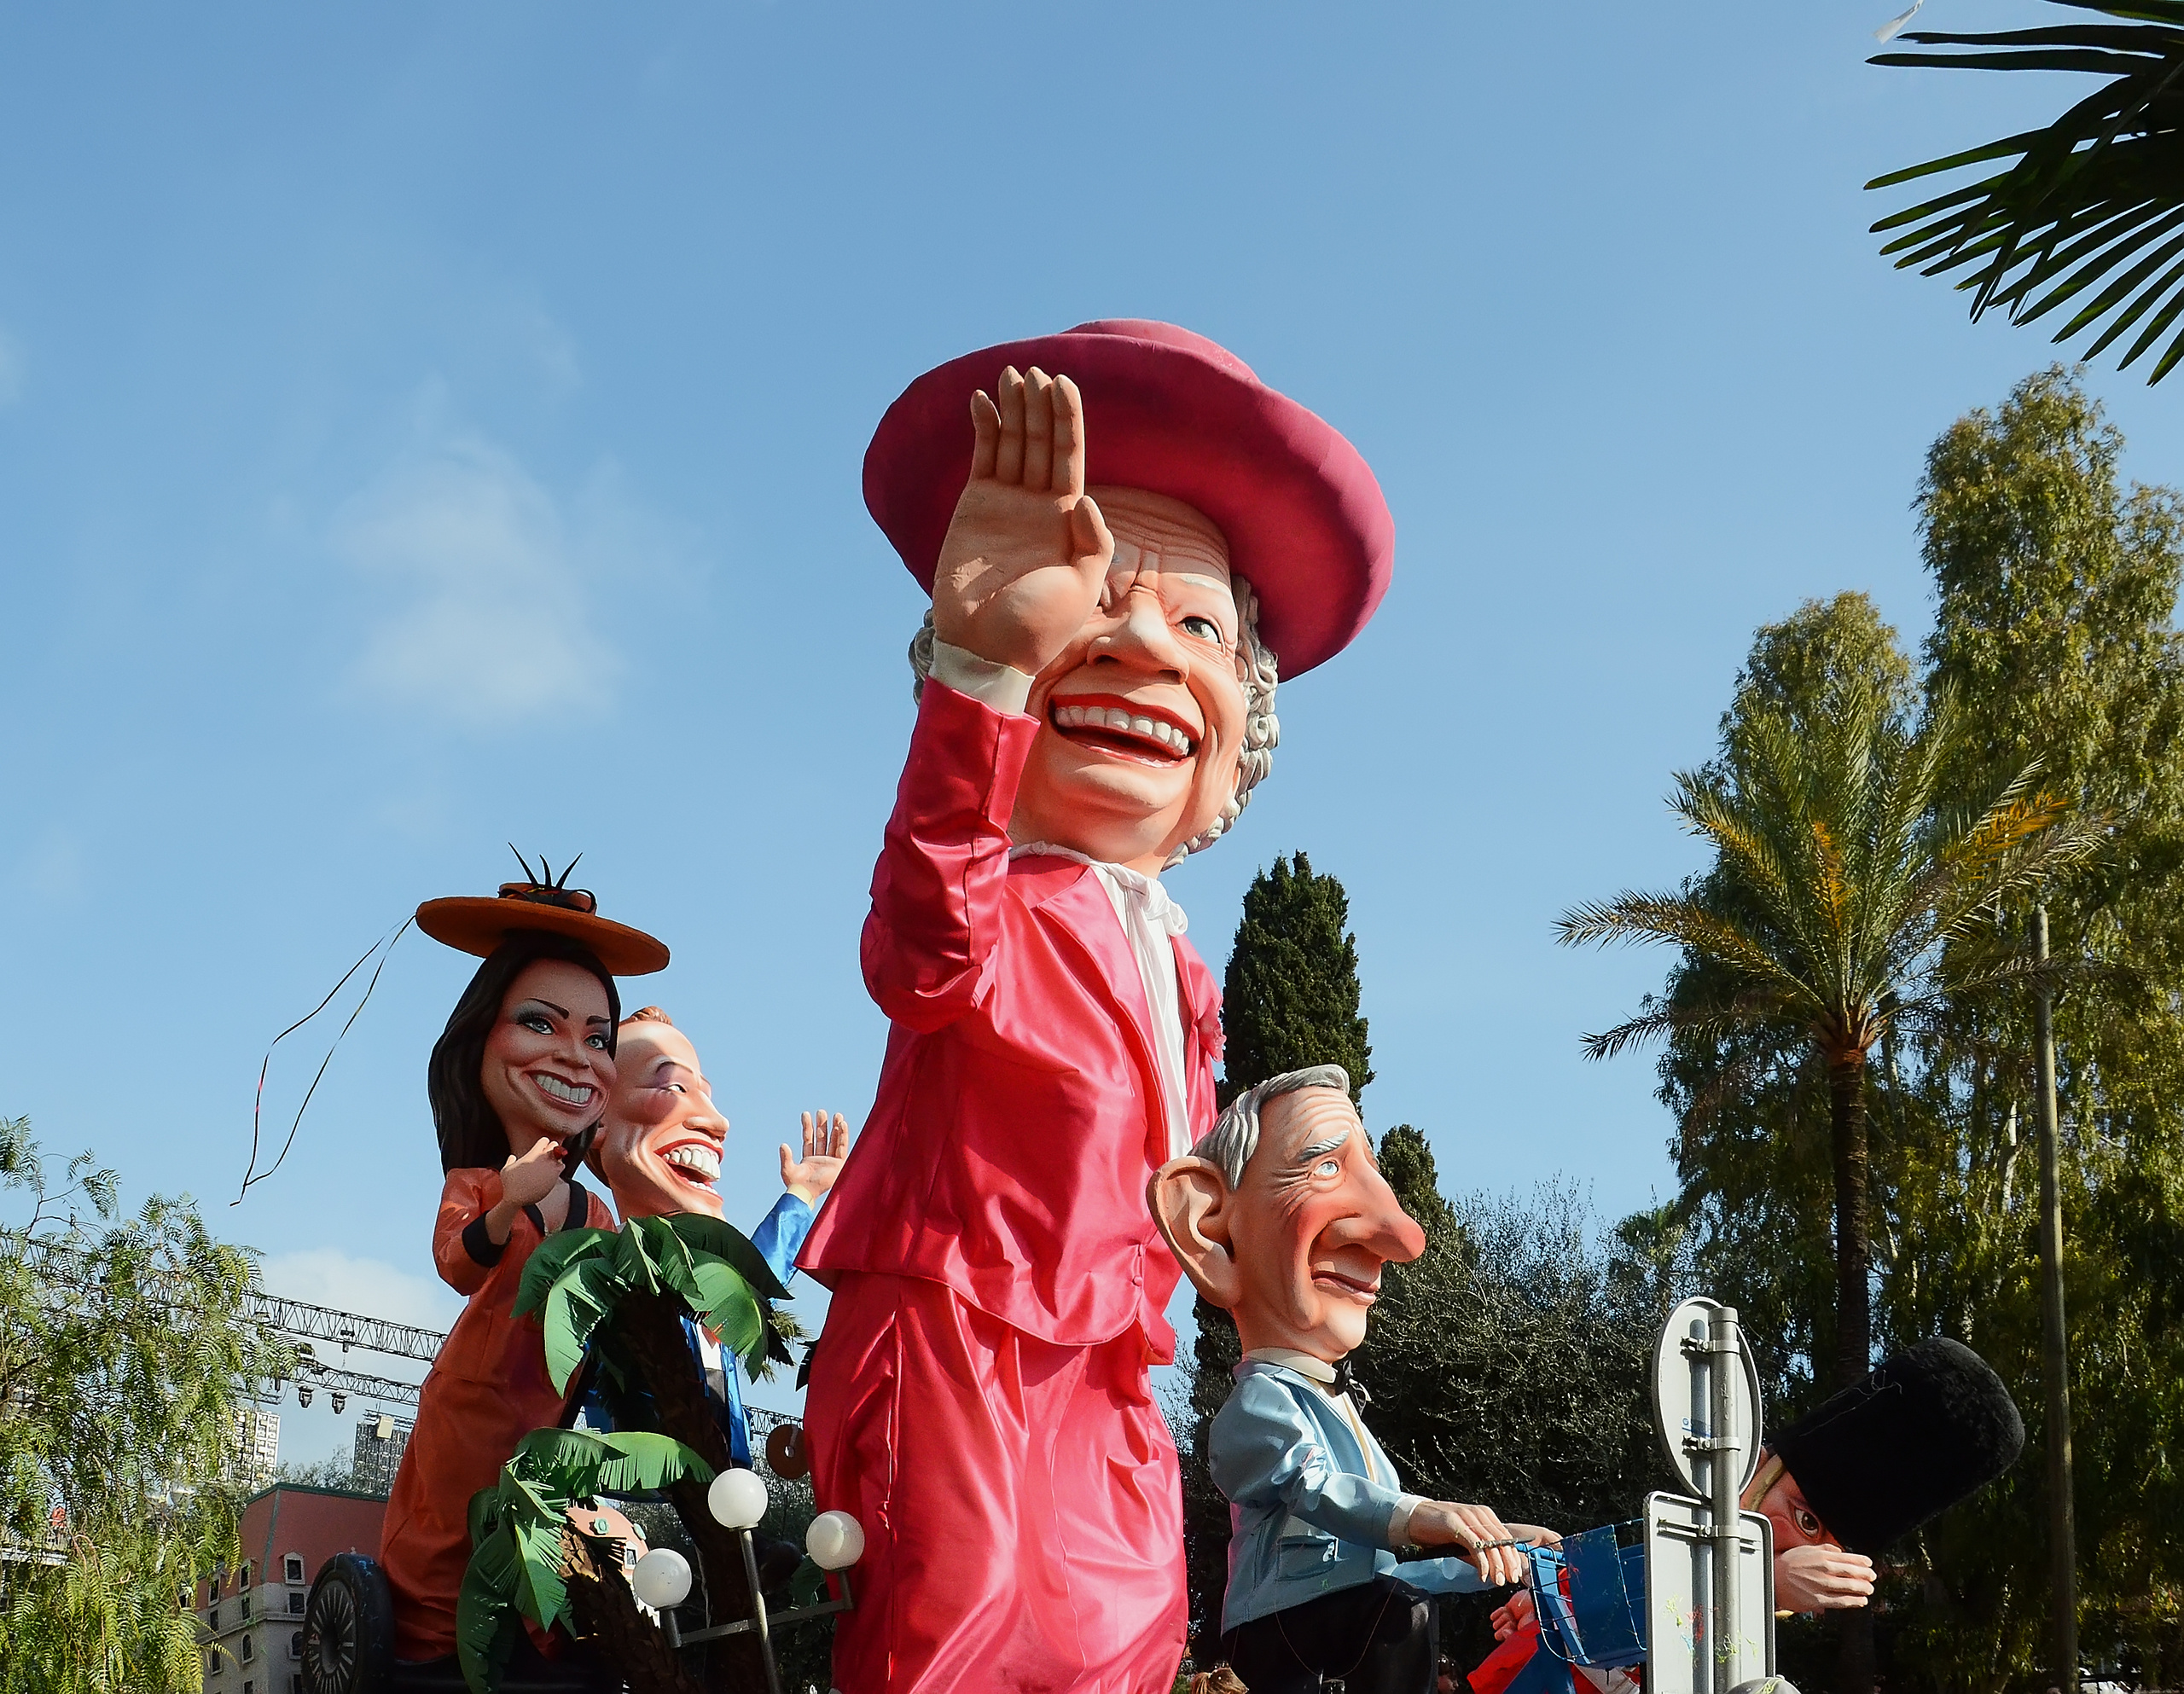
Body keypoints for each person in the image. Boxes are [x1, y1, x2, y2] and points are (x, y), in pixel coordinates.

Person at [799, 320, 1394, 1693]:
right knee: (956, 1640)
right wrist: (986, 673)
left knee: (1120, 1642)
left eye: (1196, 623)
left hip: (1116, 1369)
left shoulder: (1184, 968)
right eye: (1094, 593)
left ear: (1244, 720)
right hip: (963, 1340)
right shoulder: (989, 895)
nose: (1139, 642)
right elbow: (919, 947)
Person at [1148, 1066, 1556, 1694]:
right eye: (1326, 1167)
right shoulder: (1259, 1405)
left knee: (1403, 1609)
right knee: (1398, 1616)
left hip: (1341, 1622)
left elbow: (1387, 1579)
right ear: (1208, 1226)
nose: (1403, 1238)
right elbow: (1314, 1490)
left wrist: (1505, 1549)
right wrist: (1425, 1516)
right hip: (1278, 1630)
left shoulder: (1343, 1414)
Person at [379, 870, 668, 1665]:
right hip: (469, 1414)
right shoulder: (474, 1185)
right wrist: (508, 1199)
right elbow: (456, 1264)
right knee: (448, 1553)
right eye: (541, 1023)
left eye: (598, 1037)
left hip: (549, 1423)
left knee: (556, 1564)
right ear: (482, 1040)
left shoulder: (596, 1213)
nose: (576, 1057)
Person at [1471, 1337, 2025, 1693]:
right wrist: (1543, 1591)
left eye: (1826, 1550)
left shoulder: (1749, 1651)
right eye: (1805, 1521)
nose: (1804, 1554)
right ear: (1754, 1466)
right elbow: (1607, 1595)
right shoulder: (1671, 1542)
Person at [590, 1004, 850, 1467]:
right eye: (672, 1087)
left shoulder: (707, 1283)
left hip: (726, 1496)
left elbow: (743, 1297)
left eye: (705, 1095)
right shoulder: (590, 1274)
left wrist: (803, 1193)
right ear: (595, 1123)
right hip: (628, 1494)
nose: (718, 1121)